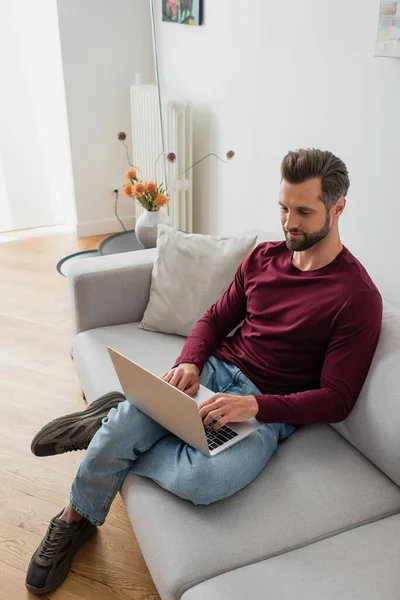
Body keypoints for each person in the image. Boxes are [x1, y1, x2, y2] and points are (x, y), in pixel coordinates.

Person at [25, 148, 383, 595]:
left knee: (203, 480)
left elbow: (338, 397)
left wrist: (254, 404)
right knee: (133, 425)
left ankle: (112, 427)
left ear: (338, 207)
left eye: (304, 212)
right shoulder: (263, 258)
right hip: (214, 371)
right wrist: (190, 362)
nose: (289, 222)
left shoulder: (357, 296)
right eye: (283, 208)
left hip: (263, 412)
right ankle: (74, 517)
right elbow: (215, 318)